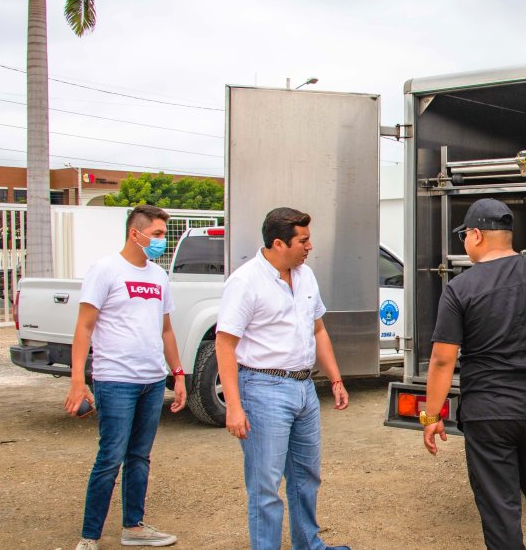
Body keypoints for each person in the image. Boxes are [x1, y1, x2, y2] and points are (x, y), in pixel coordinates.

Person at [422, 198, 526, 550]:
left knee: (500, 510)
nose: (464, 241)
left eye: (464, 235)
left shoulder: (460, 288)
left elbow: (442, 360)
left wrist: (431, 416)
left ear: (476, 235)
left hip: (487, 414)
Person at [215, 207, 350, 550]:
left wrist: (335, 379)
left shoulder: (306, 276)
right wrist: (234, 407)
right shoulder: (245, 282)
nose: (310, 246)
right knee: (266, 486)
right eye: (303, 240)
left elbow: (318, 330)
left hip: (305, 388)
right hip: (263, 389)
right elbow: (225, 345)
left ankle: (309, 545)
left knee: (306, 477)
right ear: (279, 243)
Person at [65, 204, 186, 549]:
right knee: (110, 458)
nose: (162, 240)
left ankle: (133, 527)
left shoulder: (158, 276)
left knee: (139, 457)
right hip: (115, 380)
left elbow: (166, 330)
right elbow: (84, 327)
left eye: (164, 234)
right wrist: (78, 380)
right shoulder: (105, 270)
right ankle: (90, 537)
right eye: (157, 234)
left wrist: (178, 374)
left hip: (152, 381)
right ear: (135, 233)